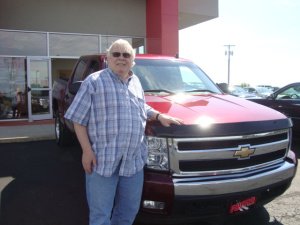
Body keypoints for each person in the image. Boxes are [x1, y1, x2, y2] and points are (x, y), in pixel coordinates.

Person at [64, 39, 184, 225]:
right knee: (100, 217)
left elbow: (140, 105)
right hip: (102, 162)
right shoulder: (94, 82)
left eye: (126, 54)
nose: (121, 58)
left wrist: (158, 115)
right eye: (116, 54)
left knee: (127, 214)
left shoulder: (135, 82)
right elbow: (78, 119)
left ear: (132, 60)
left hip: (133, 163)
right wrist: (87, 151)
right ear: (108, 58)